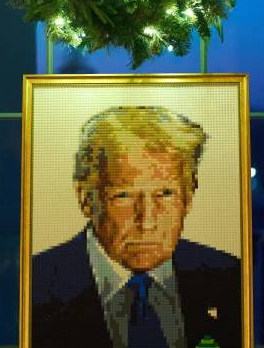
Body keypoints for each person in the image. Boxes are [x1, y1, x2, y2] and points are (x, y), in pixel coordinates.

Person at [32, 106, 242, 348]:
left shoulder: (229, 278)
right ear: (87, 199)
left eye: (165, 194)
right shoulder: (34, 285)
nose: (148, 221)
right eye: (124, 196)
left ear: (188, 198)